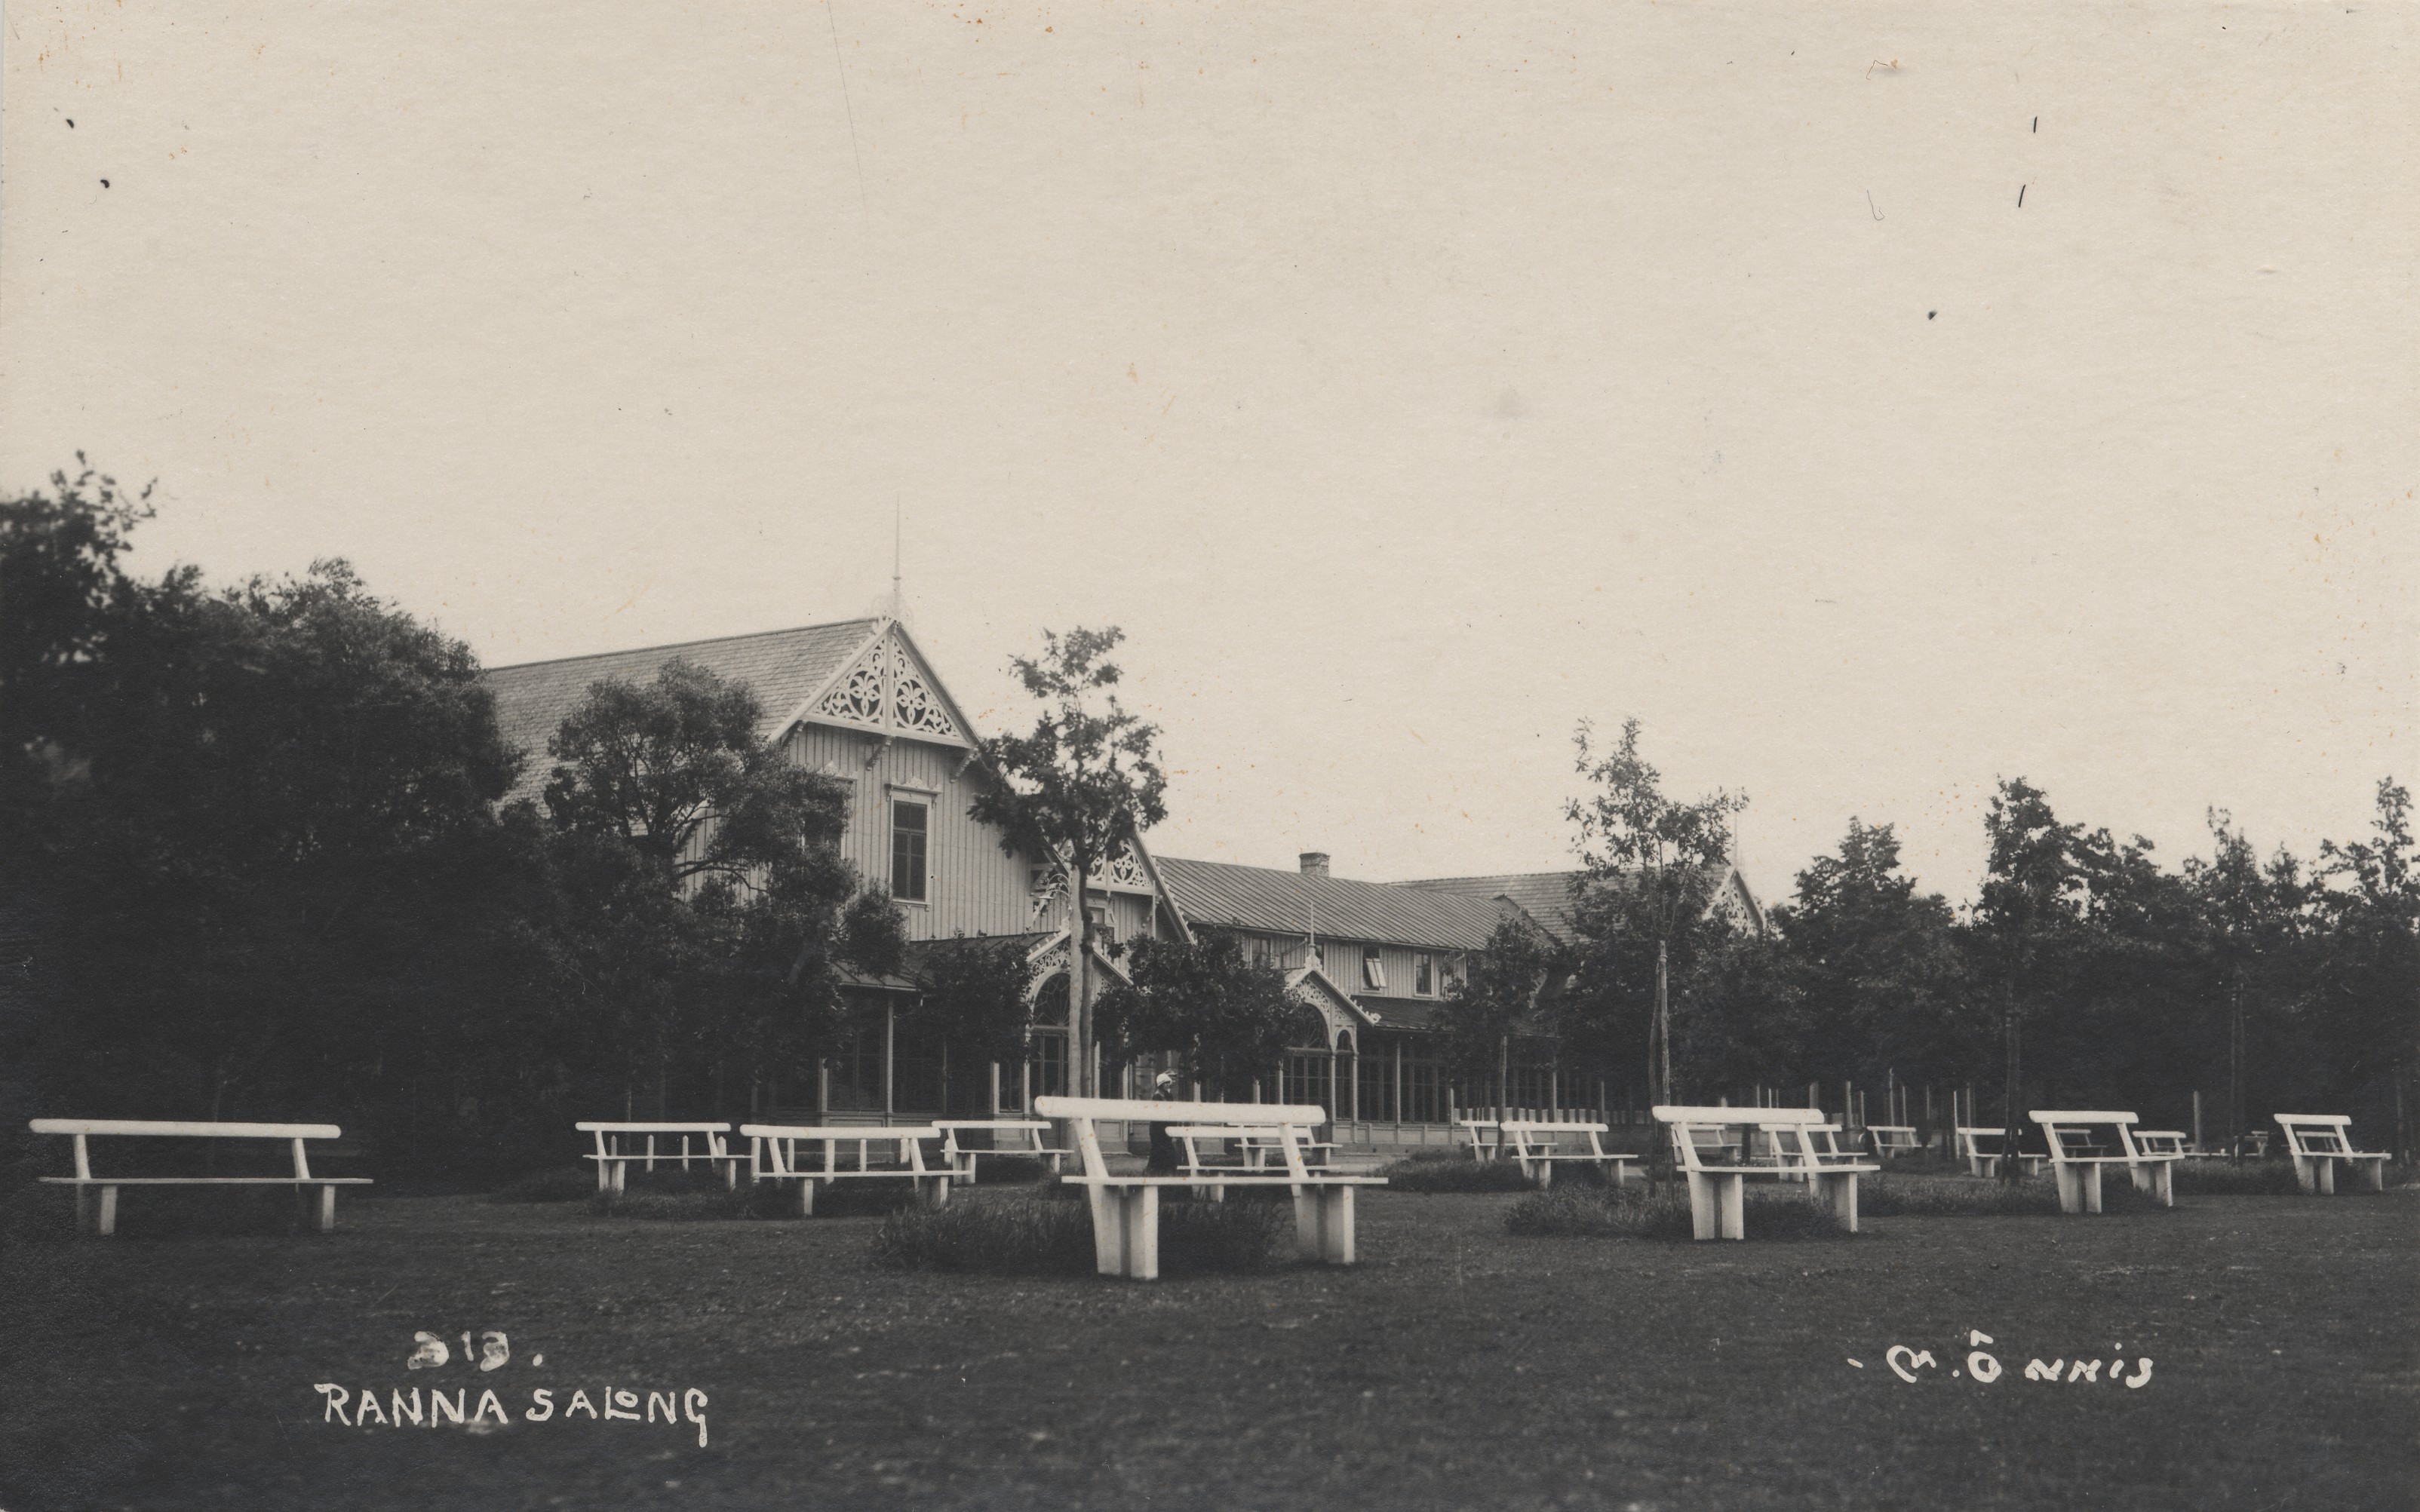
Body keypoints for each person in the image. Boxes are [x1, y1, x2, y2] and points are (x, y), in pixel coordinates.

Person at [1146, 1069, 1180, 1174]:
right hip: (1158, 1130)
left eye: (1168, 1083)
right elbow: (1157, 1116)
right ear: (1160, 1085)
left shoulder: (1167, 1096)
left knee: (1164, 1152)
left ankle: (1162, 1171)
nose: (1167, 1085)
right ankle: (1153, 1172)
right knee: (1158, 1151)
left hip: (1166, 1129)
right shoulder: (1157, 1097)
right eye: (1165, 1083)